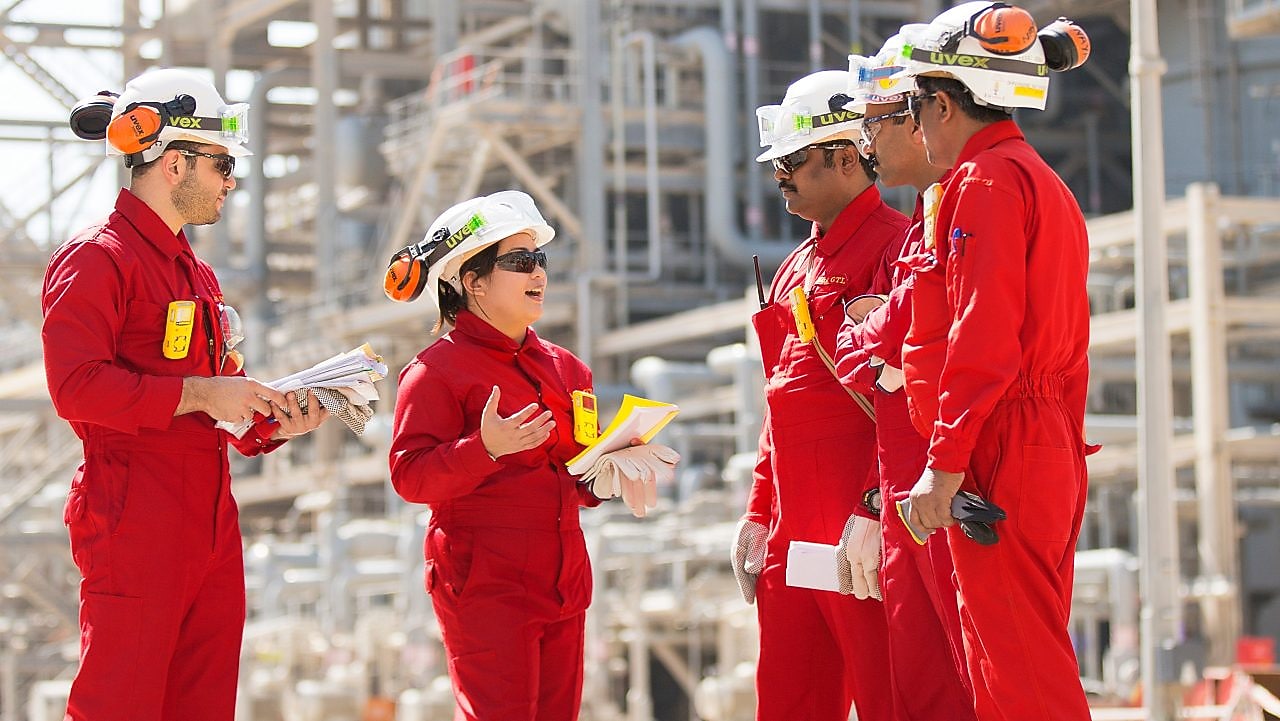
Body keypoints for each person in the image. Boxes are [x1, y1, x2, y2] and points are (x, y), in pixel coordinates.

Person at [42, 68, 327, 721]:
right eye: (222, 165)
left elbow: (212, 403)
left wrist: (273, 419)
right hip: (135, 517)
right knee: (122, 705)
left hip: (208, 522)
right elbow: (75, 386)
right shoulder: (97, 258)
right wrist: (200, 392)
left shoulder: (195, 272)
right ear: (174, 164)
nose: (231, 182)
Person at [386, 190, 676, 721]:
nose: (537, 272)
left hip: (563, 579)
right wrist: (484, 448)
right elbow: (409, 478)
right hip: (486, 584)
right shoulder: (435, 373)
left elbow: (573, 470)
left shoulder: (568, 370)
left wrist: (609, 468)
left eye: (538, 259)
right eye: (518, 262)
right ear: (471, 281)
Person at [893, 4, 1094, 719]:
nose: (915, 128)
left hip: (1000, 446)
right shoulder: (1041, 180)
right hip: (1040, 443)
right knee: (1013, 669)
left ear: (943, 103)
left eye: (916, 107)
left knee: (1023, 681)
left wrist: (945, 466)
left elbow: (983, 337)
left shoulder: (986, 183)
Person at [730, 69, 908, 721]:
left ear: (844, 156)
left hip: (859, 529)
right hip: (792, 535)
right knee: (789, 699)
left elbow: (904, 403)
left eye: (793, 162)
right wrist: (759, 513)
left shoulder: (895, 249)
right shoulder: (792, 268)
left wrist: (872, 504)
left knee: (889, 696)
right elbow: (781, 408)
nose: (780, 176)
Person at [833, 35, 977, 721]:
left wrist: (876, 335)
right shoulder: (926, 219)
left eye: (881, 121)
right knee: (923, 686)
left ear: (932, 113)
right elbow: (866, 351)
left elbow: (922, 342)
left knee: (978, 679)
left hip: (944, 478)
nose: (870, 143)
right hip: (907, 485)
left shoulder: (967, 203)